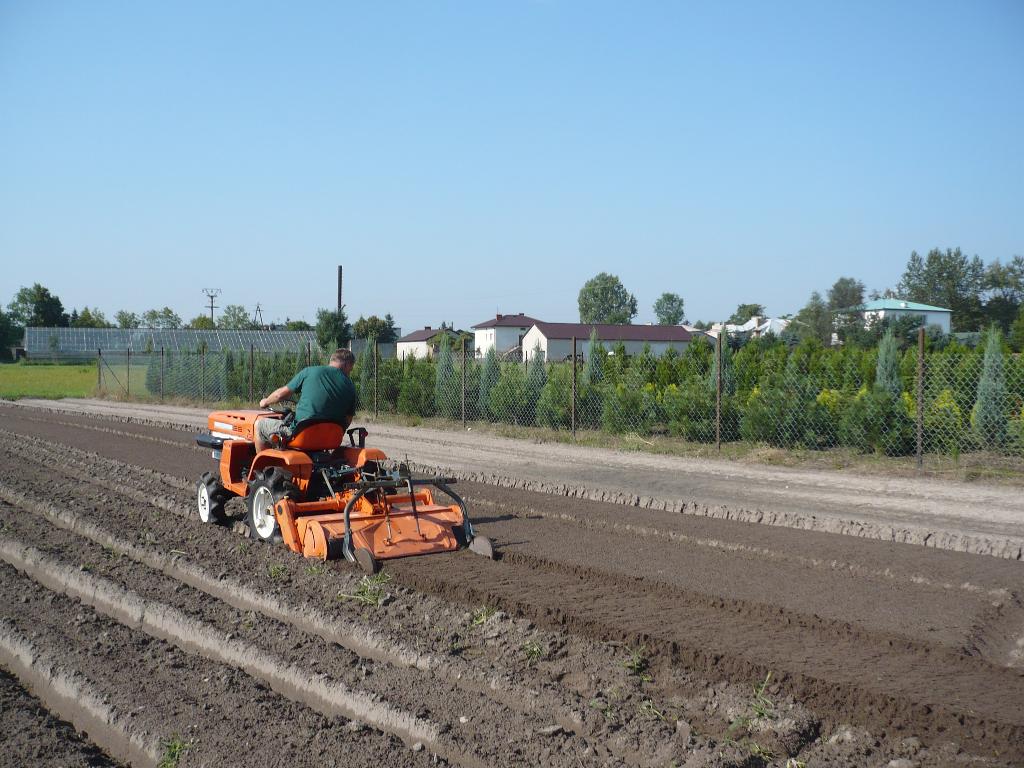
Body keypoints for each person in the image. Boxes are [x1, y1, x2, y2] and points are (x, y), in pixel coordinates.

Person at [255, 348, 356, 451]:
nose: (349, 373)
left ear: (332, 360)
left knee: (259, 424)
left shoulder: (310, 371)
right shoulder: (351, 387)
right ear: (346, 365)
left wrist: (265, 402)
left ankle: (261, 466)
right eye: (351, 370)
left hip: (301, 435)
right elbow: (348, 420)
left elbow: (279, 395)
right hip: (331, 439)